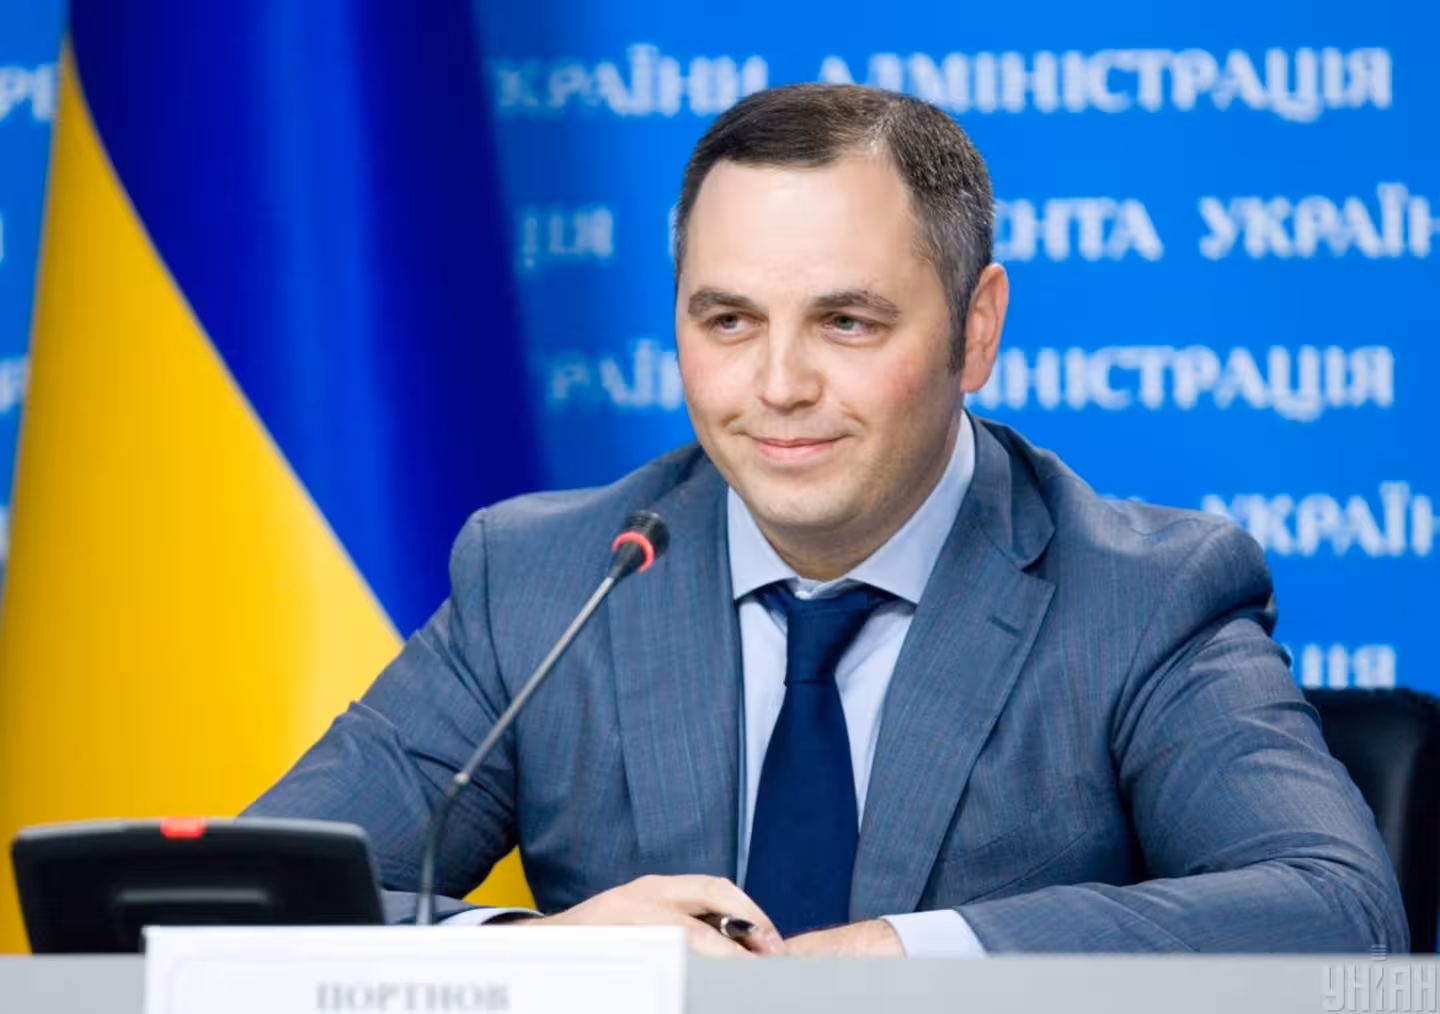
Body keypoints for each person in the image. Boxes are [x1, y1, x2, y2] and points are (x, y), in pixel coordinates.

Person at [247, 83, 1407, 957]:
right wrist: (548, 954)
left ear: (976, 330)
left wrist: (903, 958)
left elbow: (1339, 910)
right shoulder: (547, 578)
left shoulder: (1141, 596)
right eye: (729, 321)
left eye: (847, 322)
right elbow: (244, 910)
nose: (779, 385)